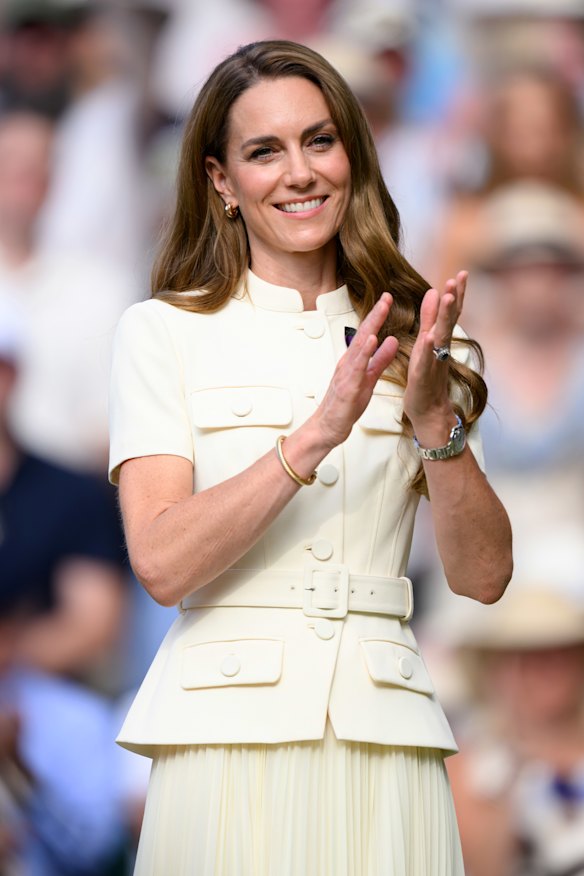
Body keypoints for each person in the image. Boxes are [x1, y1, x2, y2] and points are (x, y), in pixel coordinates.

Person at [108, 40, 512, 876]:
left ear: (352, 156)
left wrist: (437, 421)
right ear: (221, 180)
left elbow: (482, 577)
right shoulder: (163, 333)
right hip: (222, 739)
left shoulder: (426, 342)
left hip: (384, 736)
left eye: (319, 141)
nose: (299, 173)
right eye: (265, 151)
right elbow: (161, 561)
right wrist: (312, 437)